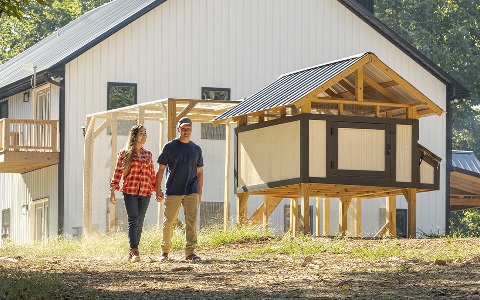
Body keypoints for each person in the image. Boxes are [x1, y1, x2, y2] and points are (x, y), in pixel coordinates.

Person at [156, 117, 204, 261]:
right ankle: (164, 252)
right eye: (183, 128)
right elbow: (160, 169)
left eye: (189, 128)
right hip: (173, 190)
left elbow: (200, 172)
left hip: (192, 190)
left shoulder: (196, 149)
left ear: (192, 130)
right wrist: (157, 189)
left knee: (191, 221)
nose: (186, 131)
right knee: (169, 221)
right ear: (178, 129)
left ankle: (190, 252)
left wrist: (199, 193)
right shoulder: (169, 147)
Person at [110, 124, 156, 263]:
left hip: (145, 192)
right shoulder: (125, 153)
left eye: (145, 133)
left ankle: (133, 250)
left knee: (140, 221)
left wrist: (156, 189)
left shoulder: (148, 154)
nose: (144, 135)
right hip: (130, 191)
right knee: (133, 220)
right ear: (134, 135)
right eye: (141, 133)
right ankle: (134, 250)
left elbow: (151, 173)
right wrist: (113, 189)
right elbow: (118, 172)